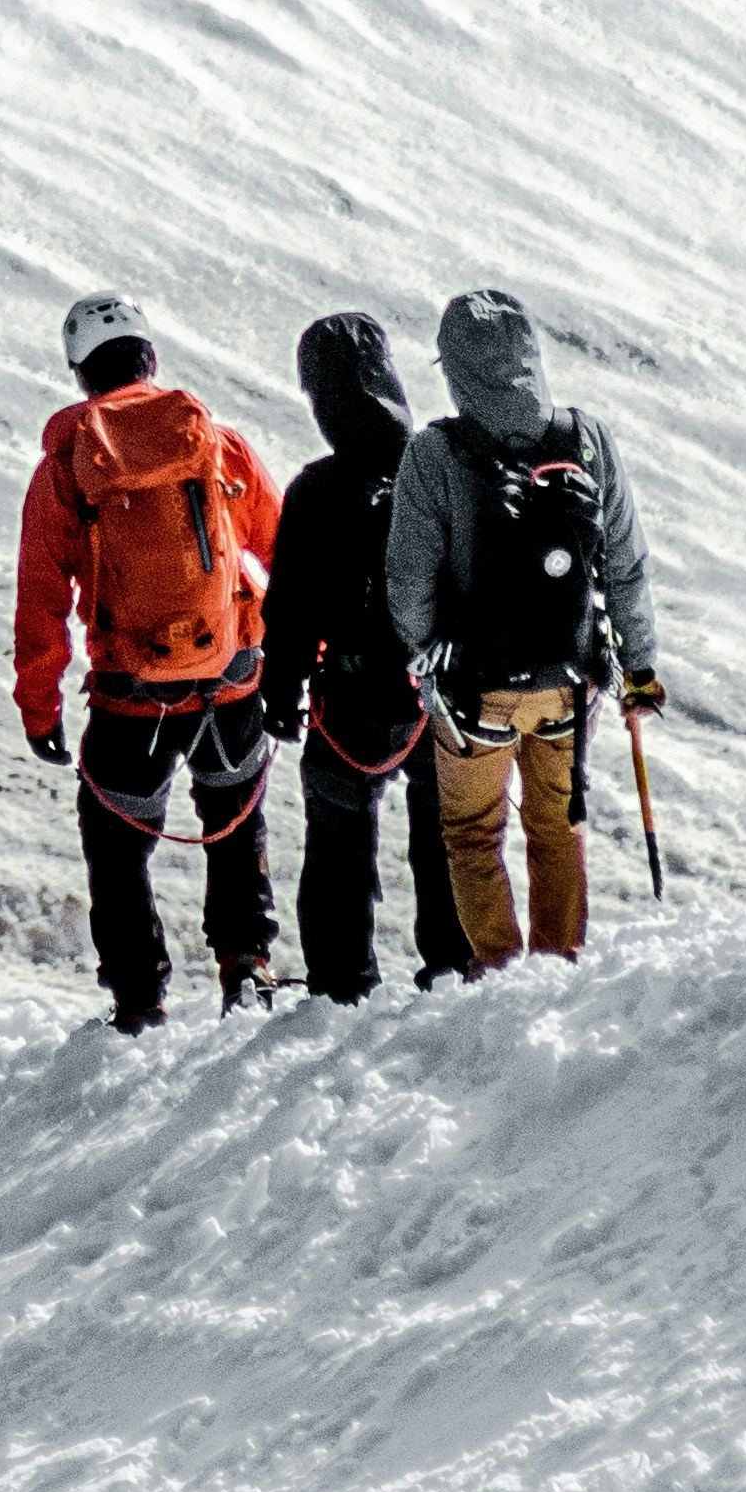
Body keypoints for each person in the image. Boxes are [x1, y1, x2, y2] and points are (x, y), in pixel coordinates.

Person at [15, 290, 283, 1030]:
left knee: (115, 844)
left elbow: (41, 599)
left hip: (131, 695)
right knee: (234, 818)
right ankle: (247, 966)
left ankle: (139, 1001)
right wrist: (300, 658)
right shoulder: (216, 443)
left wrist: (40, 708)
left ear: (80, 375)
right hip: (230, 678)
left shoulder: (66, 467)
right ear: (150, 359)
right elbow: (282, 550)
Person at [385, 286, 662, 968]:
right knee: (558, 826)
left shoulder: (433, 453)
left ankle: (500, 974)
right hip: (569, 681)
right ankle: (558, 964)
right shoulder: (587, 438)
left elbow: (408, 583)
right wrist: (639, 669)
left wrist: (427, 656)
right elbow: (625, 565)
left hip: (474, 690)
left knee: (472, 834)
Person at [258, 312, 467, 998]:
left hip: (349, 701)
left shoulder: (316, 489)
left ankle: (343, 985)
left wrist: (280, 693)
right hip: (441, 694)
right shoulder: (442, 465)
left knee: (338, 843)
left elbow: (289, 608)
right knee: (445, 834)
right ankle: (453, 967)